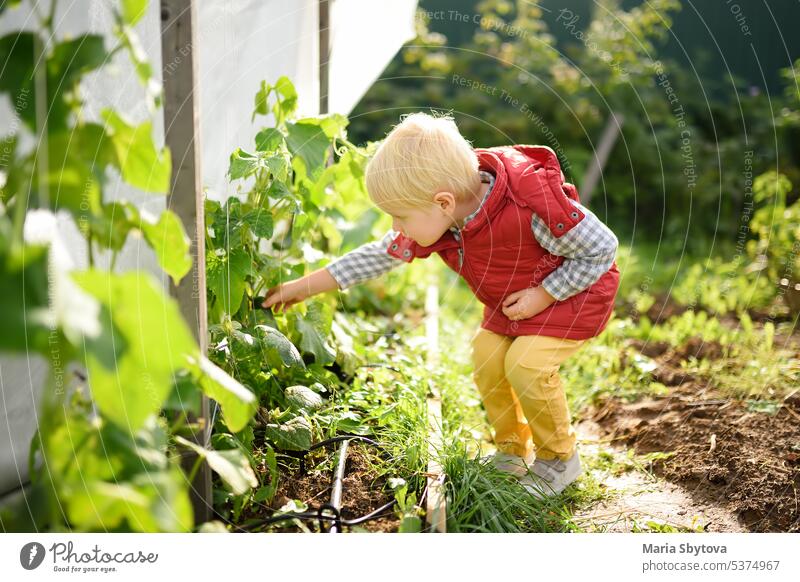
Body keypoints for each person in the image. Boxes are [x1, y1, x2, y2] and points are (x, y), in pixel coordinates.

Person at [262, 113, 620, 499]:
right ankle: (511, 450)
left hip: (573, 294)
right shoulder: (449, 217)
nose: (397, 227)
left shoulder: (530, 209)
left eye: (400, 216)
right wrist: (305, 285)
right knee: (486, 357)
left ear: (443, 202)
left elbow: (602, 248)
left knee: (526, 364)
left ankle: (559, 460)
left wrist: (546, 293)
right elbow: (381, 253)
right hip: (517, 302)